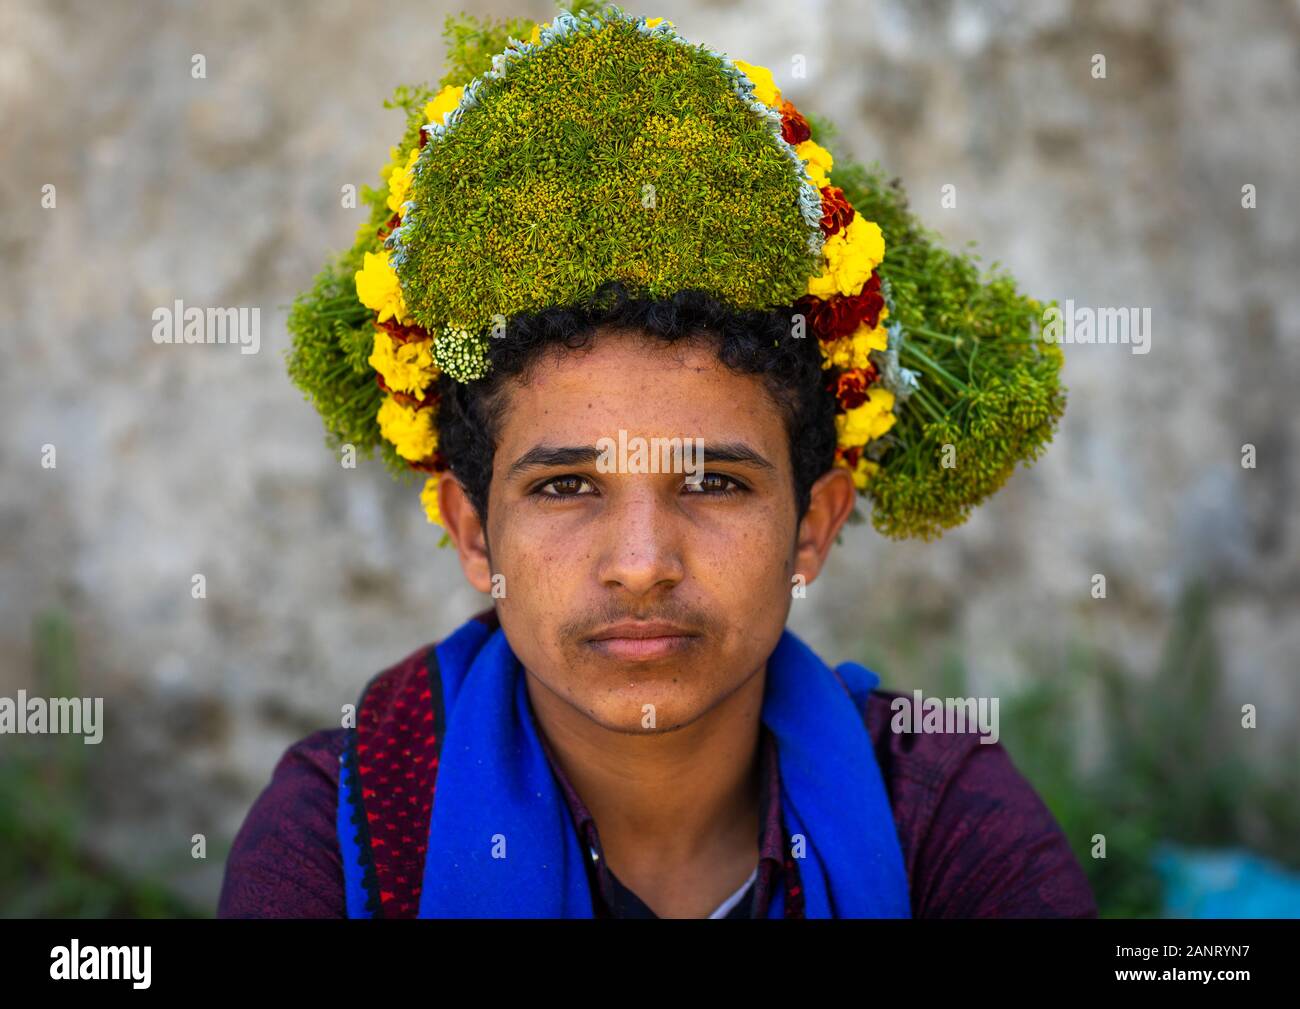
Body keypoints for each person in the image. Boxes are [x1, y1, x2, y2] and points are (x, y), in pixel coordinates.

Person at [219, 4, 1088, 918]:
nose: (641, 562)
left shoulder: (940, 812)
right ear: (473, 532)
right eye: (566, 486)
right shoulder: (341, 836)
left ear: (814, 524)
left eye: (714, 482)